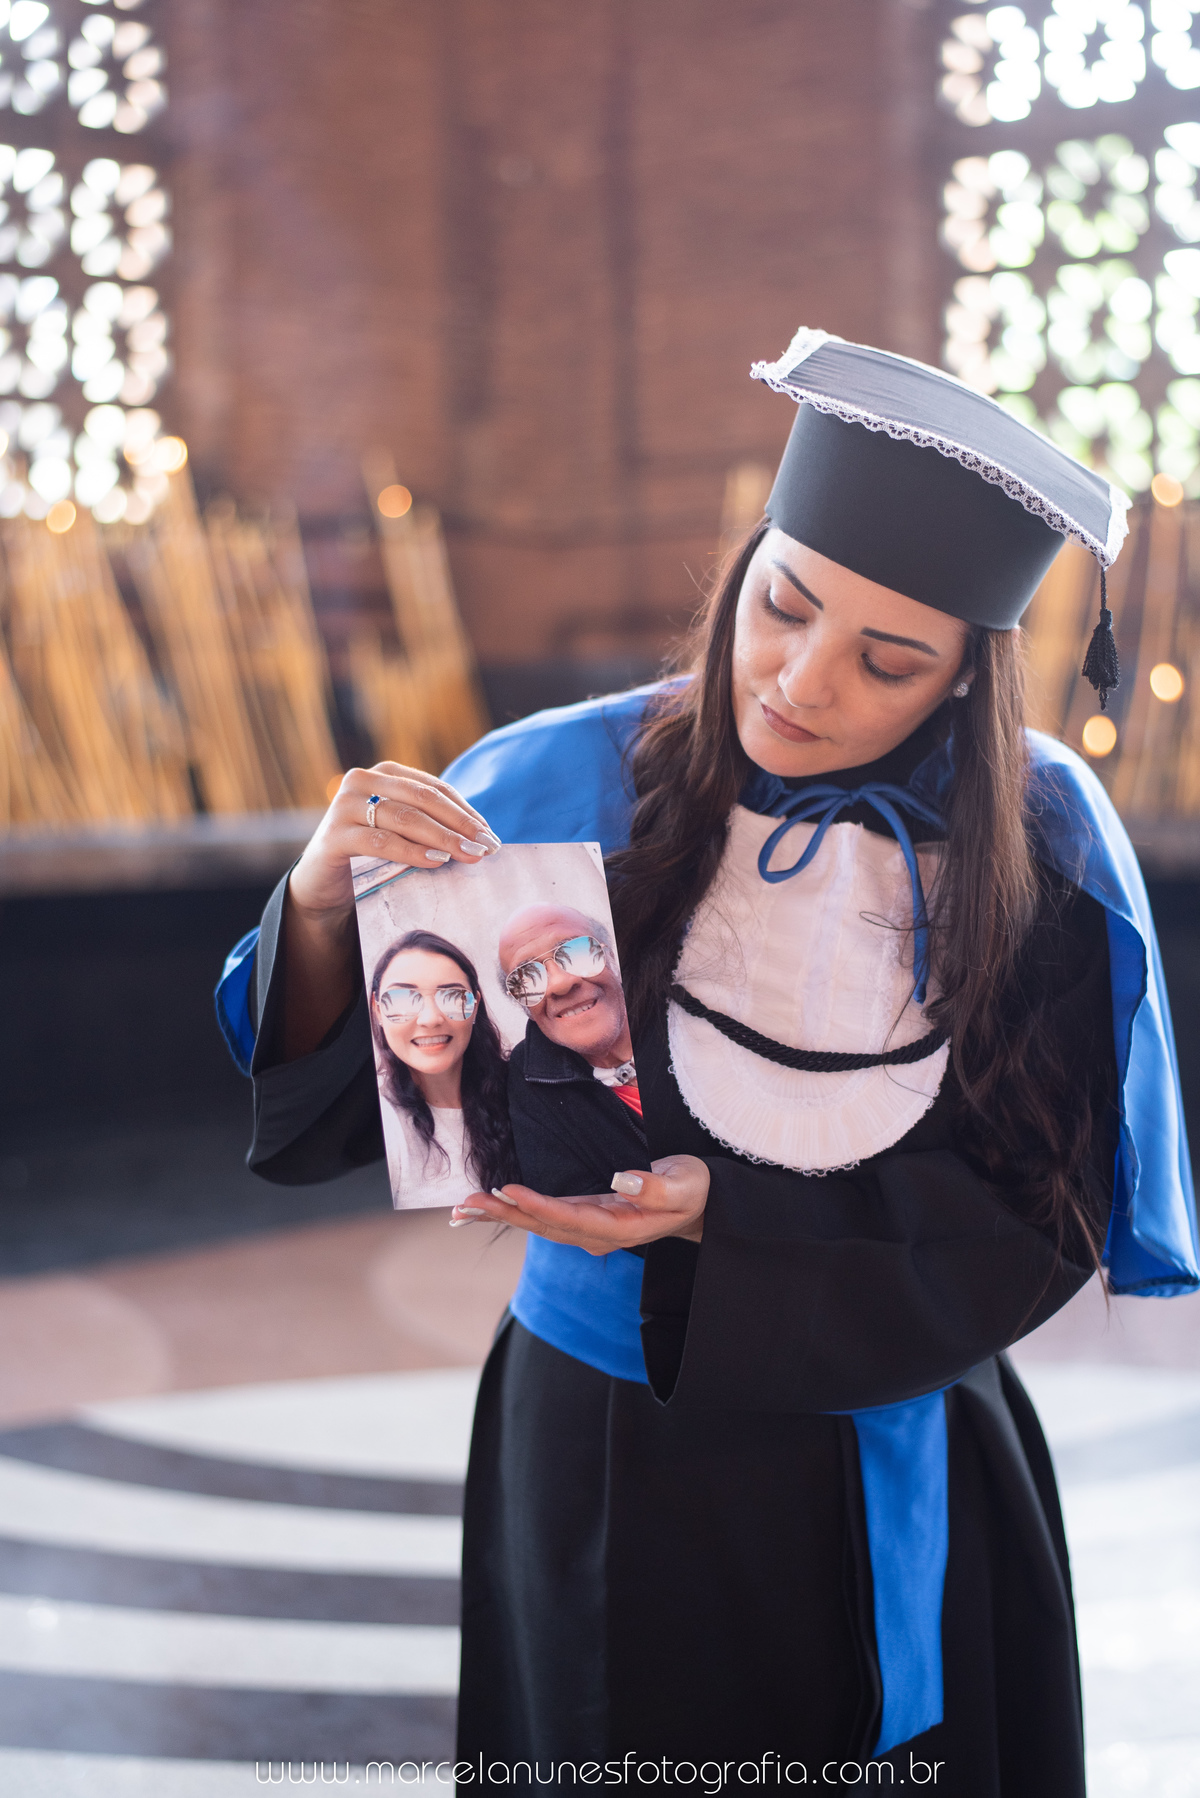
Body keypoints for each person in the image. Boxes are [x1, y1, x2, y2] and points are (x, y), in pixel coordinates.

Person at [216, 328, 1198, 1794]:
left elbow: (1038, 1208)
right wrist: (311, 907)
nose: (800, 683)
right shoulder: (564, 783)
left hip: (900, 1420)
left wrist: (729, 1222)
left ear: (963, 682)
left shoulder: (1037, 851)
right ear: (744, 571)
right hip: (605, 1440)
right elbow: (371, 1100)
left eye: (887, 660)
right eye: (783, 606)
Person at [368, 928, 513, 1209]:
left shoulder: (518, 1093)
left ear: (475, 1005)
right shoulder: (387, 1124)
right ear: (377, 1010)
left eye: (452, 996)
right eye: (402, 999)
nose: (431, 1018)